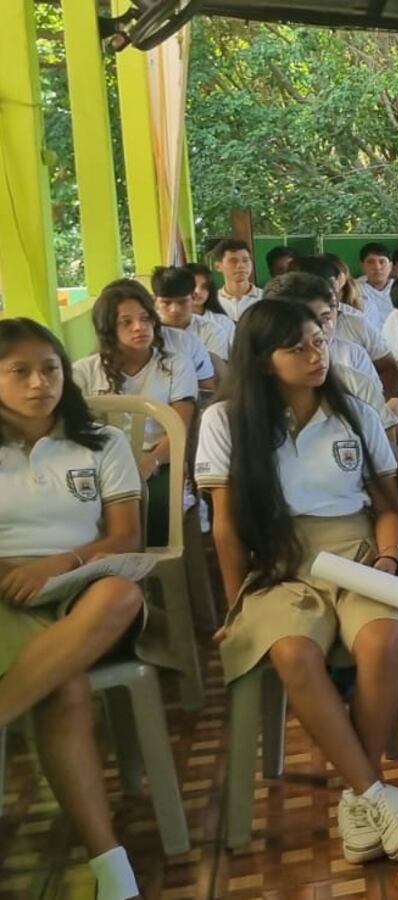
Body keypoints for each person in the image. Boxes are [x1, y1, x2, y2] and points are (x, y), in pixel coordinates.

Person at [196, 298, 398, 863]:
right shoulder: (225, 421)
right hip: (279, 562)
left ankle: (360, 796)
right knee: (293, 651)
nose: (315, 356)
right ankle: (374, 793)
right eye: (297, 348)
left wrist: (385, 556)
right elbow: (227, 529)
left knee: (383, 638)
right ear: (260, 360)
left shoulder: (352, 411)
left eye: (319, 342)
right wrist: (237, 606)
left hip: (357, 551)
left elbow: (388, 506)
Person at [0, 318, 150, 900]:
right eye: (20, 371)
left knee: (123, 592)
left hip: (83, 584)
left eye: (51, 368)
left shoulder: (100, 441)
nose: (40, 383)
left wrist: (58, 564)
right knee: (64, 690)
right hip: (7, 594)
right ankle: (109, 863)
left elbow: (124, 537)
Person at [73, 280, 200, 547]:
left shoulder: (175, 365)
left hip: (159, 464)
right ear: (108, 328)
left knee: (158, 509)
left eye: (145, 318)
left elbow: (180, 428)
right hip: (100, 467)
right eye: (125, 322)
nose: (139, 327)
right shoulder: (83, 372)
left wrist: (151, 462)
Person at [265, 273, 398, 455]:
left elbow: (387, 457)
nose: (320, 329)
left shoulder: (358, 384)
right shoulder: (249, 396)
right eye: (304, 319)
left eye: (325, 316)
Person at [293, 255, 398, 394]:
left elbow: (387, 367)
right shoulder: (281, 332)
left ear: (338, 283)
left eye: (326, 315)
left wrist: (386, 402)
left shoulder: (354, 346)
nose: (322, 326)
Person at [153, 265, 232, 363]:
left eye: (182, 302)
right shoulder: (147, 331)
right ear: (155, 300)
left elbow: (215, 373)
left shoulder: (212, 331)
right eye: (166, 303)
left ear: (193, 298)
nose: (174, 309)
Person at [215, 238, 262, 319]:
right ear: (218, 266)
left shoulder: (265, 298)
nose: (241, 265)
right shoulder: (214, 301)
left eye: (245, 260)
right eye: (233, 261)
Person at [355, 243, 395, 334]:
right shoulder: (354, 289)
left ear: (391, 266)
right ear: (362, 266)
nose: (377, 267)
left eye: (382, 262)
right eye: (370, 262)